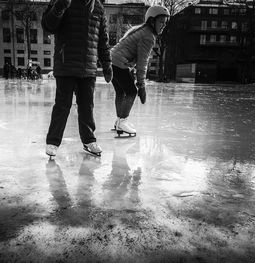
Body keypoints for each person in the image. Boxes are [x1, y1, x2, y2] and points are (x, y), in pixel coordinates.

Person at [42, 0, 112, 158]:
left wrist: (107, 63)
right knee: (62, 105)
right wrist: (59, 7)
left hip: (88, 67)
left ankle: (88, 140)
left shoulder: (98, 7)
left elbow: (103, 40)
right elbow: (48, 26)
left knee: (87, 106)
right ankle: (53, 142)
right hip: (66, 64)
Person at [110, 5, 169, 136]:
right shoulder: (148, 36)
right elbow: (142, 62)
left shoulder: (142, 30)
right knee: (131, 92)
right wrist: (141, 85)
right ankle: (122, 122)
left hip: (111, 61)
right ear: (152, 21)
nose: (163, 26)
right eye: (161, 22)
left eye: (165, 23)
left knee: (121, 92)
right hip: (119, 63)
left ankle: (119, 121)